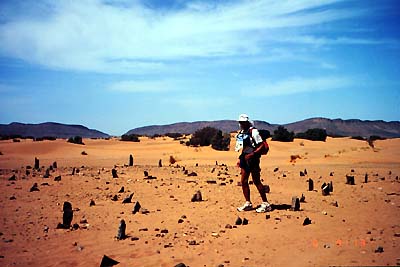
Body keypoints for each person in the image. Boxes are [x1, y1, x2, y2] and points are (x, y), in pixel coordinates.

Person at [235, 114, 272, 213]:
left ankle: (266, 203)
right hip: (245, 158)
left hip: (253, 159)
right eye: (240, 122)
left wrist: (253, 154)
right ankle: (248, 203)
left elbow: (261, 145)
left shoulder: (253, 132)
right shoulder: (242, 132)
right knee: (243, 181)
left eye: (243, 122)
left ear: (247, 122)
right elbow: (243, 147)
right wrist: (240, 158)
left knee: (256, 181)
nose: (241, 124)